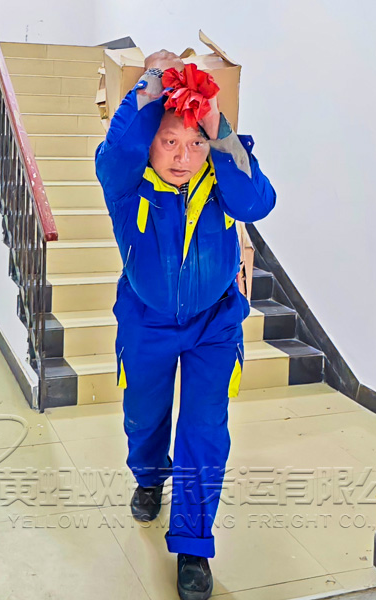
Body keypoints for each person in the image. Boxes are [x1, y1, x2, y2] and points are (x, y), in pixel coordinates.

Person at [95, 50, 276, 600]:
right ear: (151, 141)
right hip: (146, 322)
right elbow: (117, 150)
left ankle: (194, 544)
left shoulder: (221, 180)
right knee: (144, 417)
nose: (182, 156)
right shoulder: (126, 184)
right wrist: (152, 82)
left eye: (195, 143)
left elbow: (258, 201)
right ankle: (150, 476)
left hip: (214, 324)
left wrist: (218, 126)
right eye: (170, 141)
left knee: (204, 429)